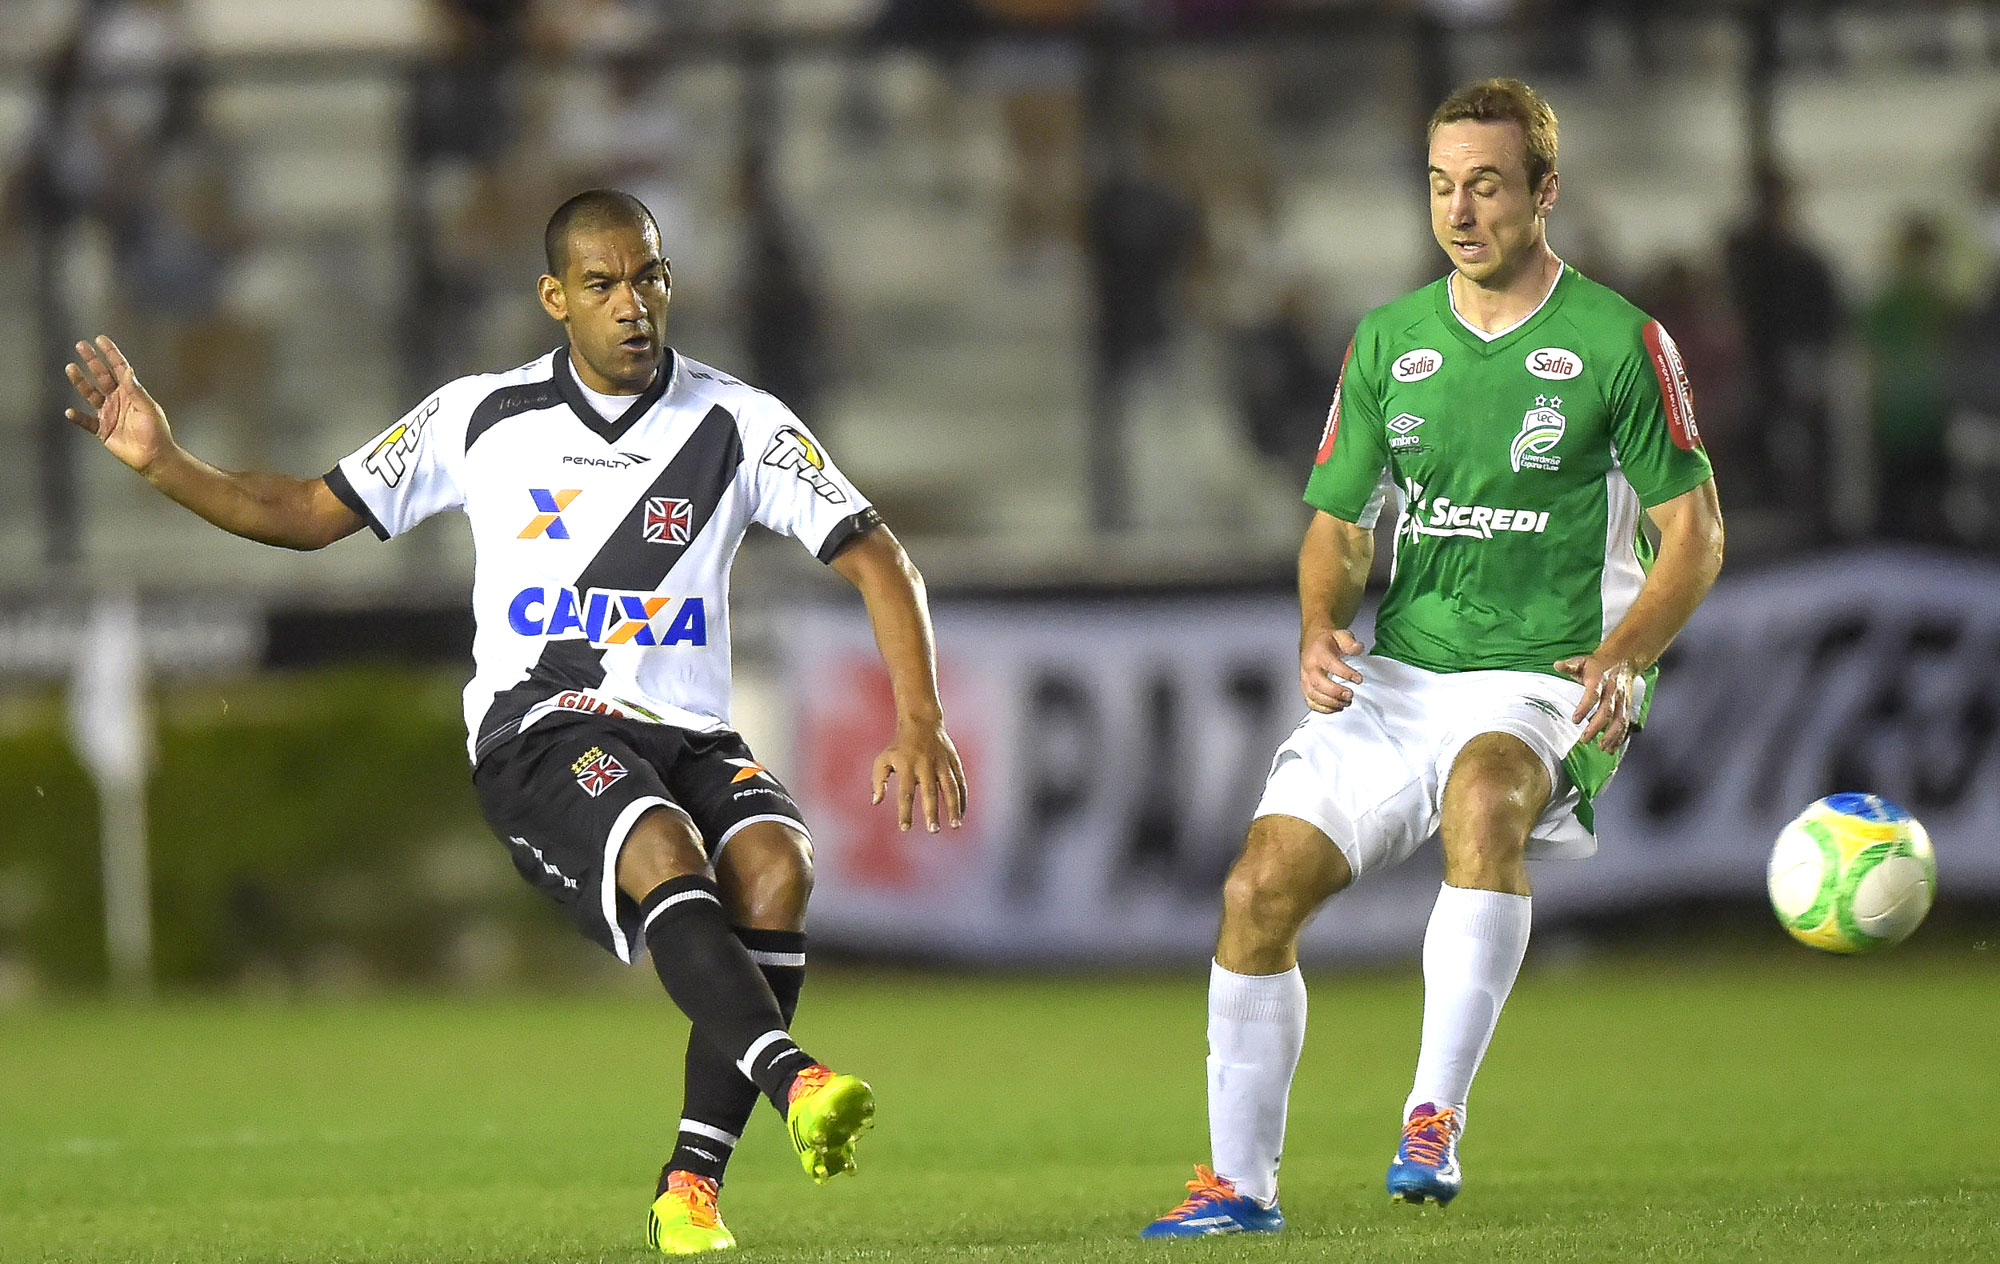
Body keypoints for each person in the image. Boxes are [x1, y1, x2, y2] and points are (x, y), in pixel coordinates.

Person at [64, 188, 968, 1256]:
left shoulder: (739, 423)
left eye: (648, 278)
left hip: (687, 729)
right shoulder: (479, 417)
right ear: (554, 297)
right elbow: (307, 512)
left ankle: (689, 1189)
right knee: (663, 844)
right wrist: (167, 463)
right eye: (602, 284)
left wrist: (920, 717)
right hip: (540, 726)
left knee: (777, 865)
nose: (631, 304)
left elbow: (877, 557)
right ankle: (794, 1078)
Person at [1141, 78, 1724, 1237]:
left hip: (1547, 675)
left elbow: (1694, 535)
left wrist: (1622, 656)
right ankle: (1239, 1188)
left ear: (1544, 192)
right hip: (1403, 675)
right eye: (1440, 185)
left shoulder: (1620, 342)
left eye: (1487, 185)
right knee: (1256, 889)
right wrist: (1317, 624)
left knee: (1482, 795)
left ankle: (1430, 1115)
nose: (1458, 211)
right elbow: (1339, 524)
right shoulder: (1388, 341)